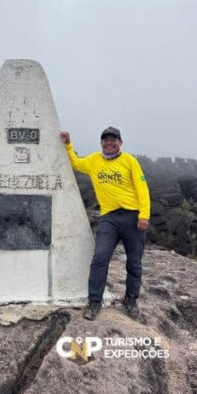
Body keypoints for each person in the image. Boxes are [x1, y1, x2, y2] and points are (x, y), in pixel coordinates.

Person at [60, 127, 150, 320]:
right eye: (106, 140)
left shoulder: (130, 161)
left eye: (113, 140)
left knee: (134, 262)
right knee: (100, 258)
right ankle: (94, 301)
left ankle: (130, 299)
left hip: (132, 217)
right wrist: (68, 144)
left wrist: (144, 215)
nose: (109, 143)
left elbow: (142, 188)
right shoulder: (93, 161)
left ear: (120, 142)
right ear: (101, 142)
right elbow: (75, 163)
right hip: (109, 218)